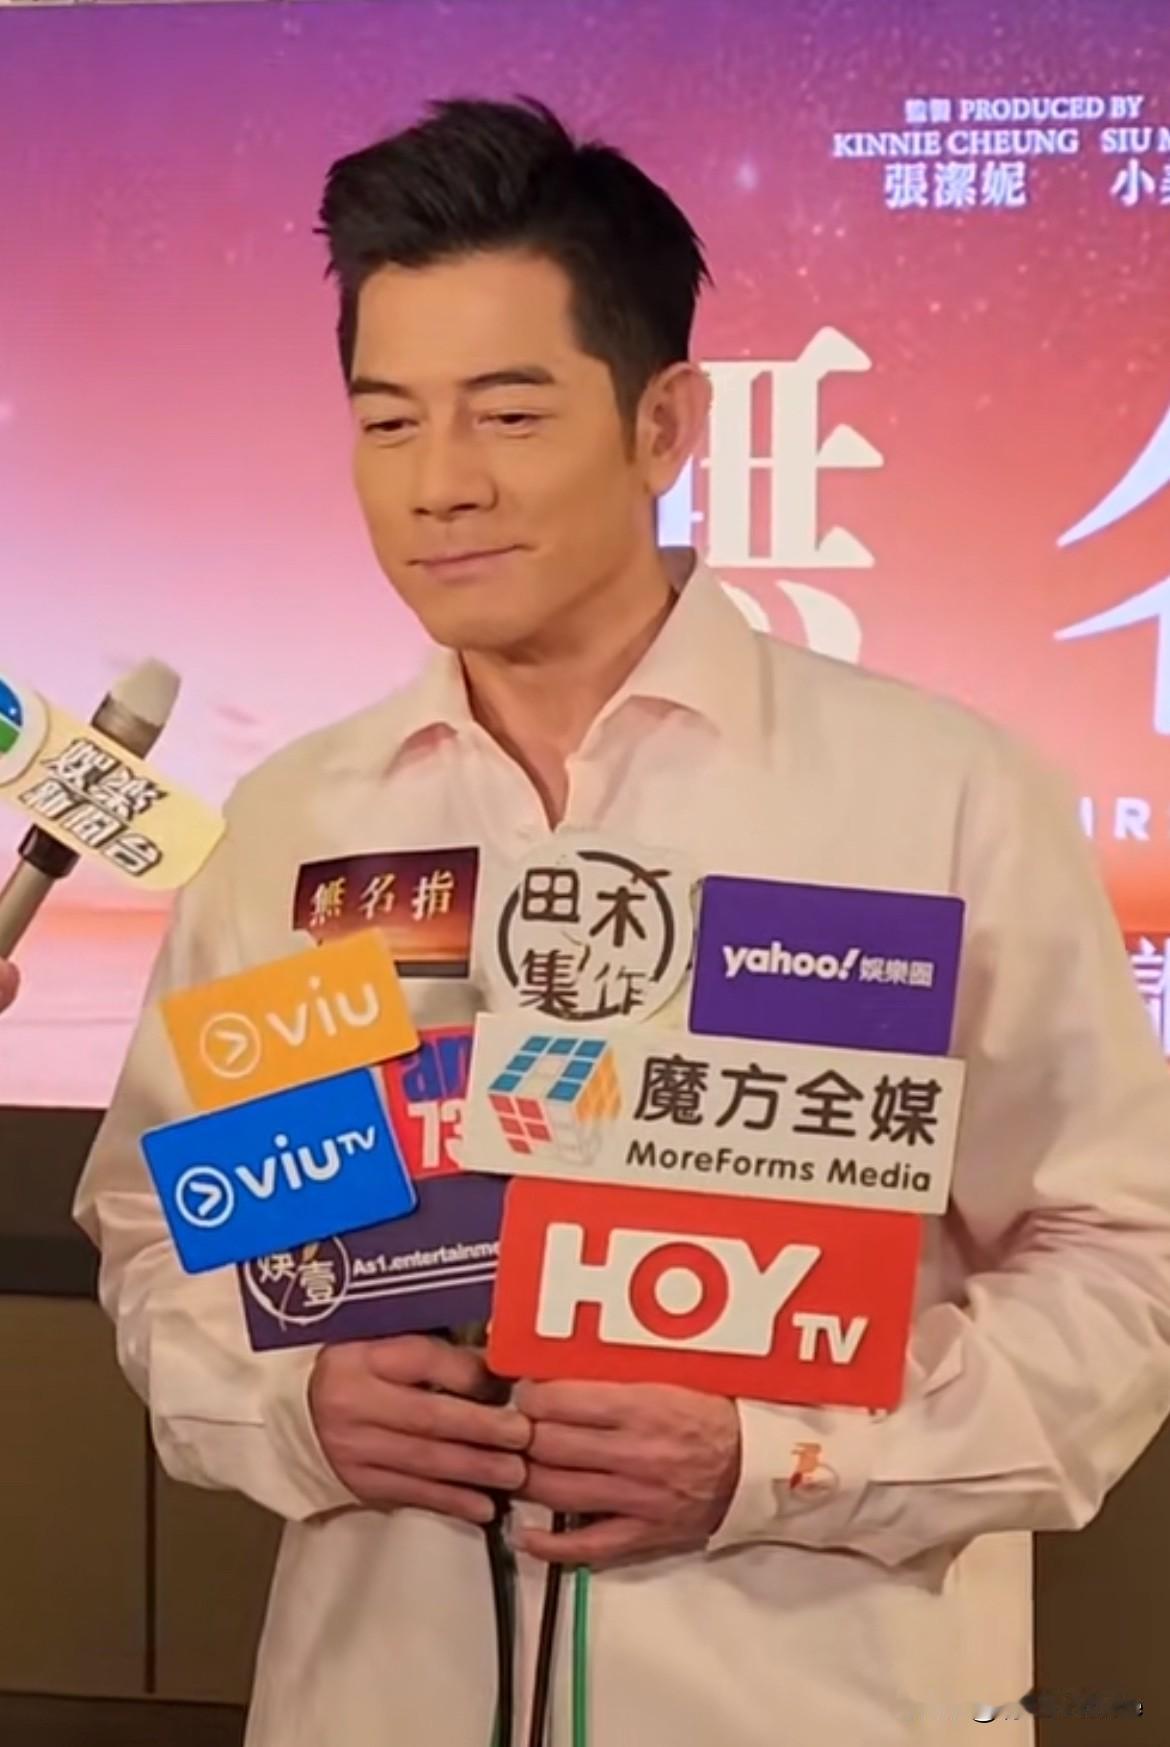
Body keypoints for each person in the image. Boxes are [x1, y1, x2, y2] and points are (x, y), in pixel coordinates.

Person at [74, 96, 1170, 1747]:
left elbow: (1116, 1254)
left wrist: (781, 1459)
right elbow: (170, 1227)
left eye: (509, 415)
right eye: (387, 423)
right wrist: (289, 1402)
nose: (440, 487)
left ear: (663, 425)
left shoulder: (939, 797)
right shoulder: (298, 825)